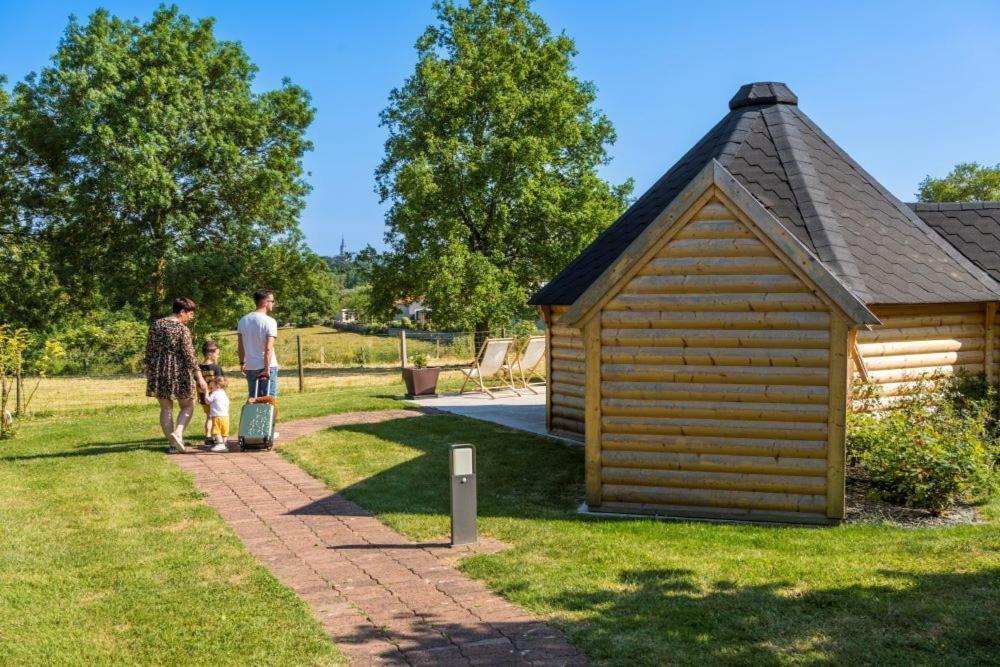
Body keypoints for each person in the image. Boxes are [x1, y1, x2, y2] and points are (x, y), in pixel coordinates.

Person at [144, 298, 209, 453]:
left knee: (166, 409)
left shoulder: (156, 325)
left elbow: (149, 350)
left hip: (159, 370)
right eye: (190, 314)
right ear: (182, 312)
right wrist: (199, 377)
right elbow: (189, 355)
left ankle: (172, 445)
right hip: (179, 371)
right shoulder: (182, 329)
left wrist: (150, 369)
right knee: (188, 404)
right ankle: (178, 433)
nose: (191, 317)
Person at [237, 289, 279, 397]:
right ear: (265, 302)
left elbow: (240, 346)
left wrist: (242, 363)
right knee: (268, 400)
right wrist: (266, 368)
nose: (273, 304)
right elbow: (268, 348)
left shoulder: (243, 320)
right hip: (266, 366)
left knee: (253, 398)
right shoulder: (270, 321)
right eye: (272, 301)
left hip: (250, 366)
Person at [198, 341, 225, 445]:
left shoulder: (198, 368)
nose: (218, 355)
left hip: (203, 396)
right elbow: (221, 382)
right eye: (217, 353)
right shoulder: (216, 368)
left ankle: (208, 436)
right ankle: (216, 435)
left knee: (209, 416)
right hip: (216, 397)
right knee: (216, 416)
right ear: (210, 354)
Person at [204, 376, 231, 453]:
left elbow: (208, 401)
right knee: (224, 432)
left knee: (216, 431)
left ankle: (220, 444)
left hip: (217, 416)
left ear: (217, 385)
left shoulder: (215, 393)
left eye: (212, 386)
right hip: (225, 416)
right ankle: (224, 445)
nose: (210, 387)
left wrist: (206, 393)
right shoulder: (224, 393)